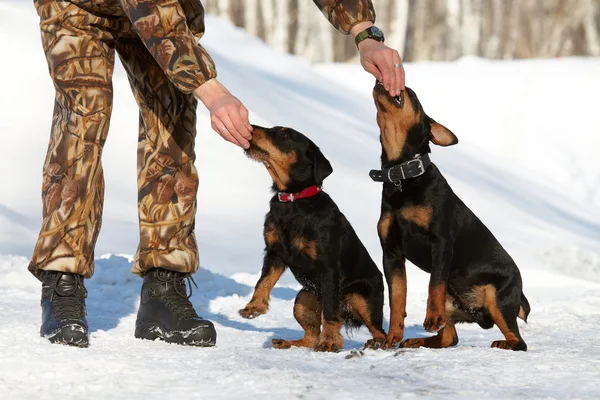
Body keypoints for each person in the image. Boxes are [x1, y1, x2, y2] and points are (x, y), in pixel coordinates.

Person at [30, 0, 405, 348]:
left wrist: (364, 31)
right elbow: (151, 11)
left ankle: (164, 286)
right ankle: (62, 280)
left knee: (172, 122)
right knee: (83, 120)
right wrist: (211, 90)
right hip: (78, 8)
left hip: (169, 12)